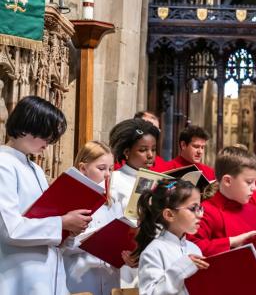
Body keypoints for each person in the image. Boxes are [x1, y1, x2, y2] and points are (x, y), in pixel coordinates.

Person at [0, 96, 92, 295]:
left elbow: (43, 218)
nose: (50, 143)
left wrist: (68, 231)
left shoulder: (35, 168)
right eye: (47, 135)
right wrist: (61, 223)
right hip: (17, 275)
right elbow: (10, 229)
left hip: (47, 273)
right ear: (28, 125)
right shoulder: (3, 163)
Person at [63, 141, 122, 295]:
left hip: (109, 276)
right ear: (83, 168)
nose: (108, 174)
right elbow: (60, 243)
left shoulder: (112, 202)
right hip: (79, 276)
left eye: (111, 169)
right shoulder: (68, 200)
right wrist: (93, 237)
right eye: (102, 168)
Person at [108, 117, 160, 287]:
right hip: (125, 259)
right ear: (127, 152)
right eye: (143, 150)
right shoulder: (114, 180)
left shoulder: (159, 182)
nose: (150, 155)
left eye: (153, 149)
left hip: (153, 257)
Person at [136, 179, 208, 295]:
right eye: (193, 208)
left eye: (200, 208)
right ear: (169, 214)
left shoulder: (194, 249)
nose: (200, 215)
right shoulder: (154, 251)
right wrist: (181, 269)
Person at [190, 148, 256, 256]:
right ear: (227, 181)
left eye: (255, 182)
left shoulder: (252, 209)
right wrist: (231, 241)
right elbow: (193, 247)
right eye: (249, 182)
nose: (254, 188)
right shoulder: (206, 211)